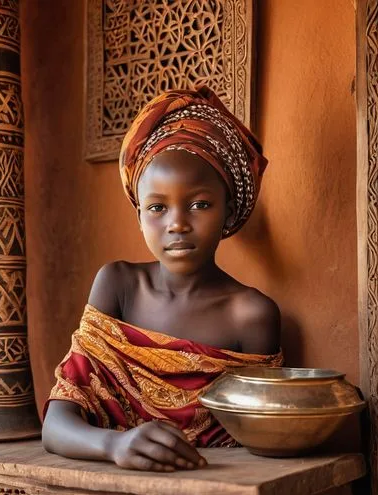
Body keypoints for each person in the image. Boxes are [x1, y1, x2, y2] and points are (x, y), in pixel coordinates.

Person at [42, 86, 283, 473]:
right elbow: (56, 424)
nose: (177, 224)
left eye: (200, 204)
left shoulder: (251, 316)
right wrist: (115, 445)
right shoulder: (118, 286)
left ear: (229, 210)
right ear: (139, 216)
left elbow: (258, 439)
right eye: (157, 207)